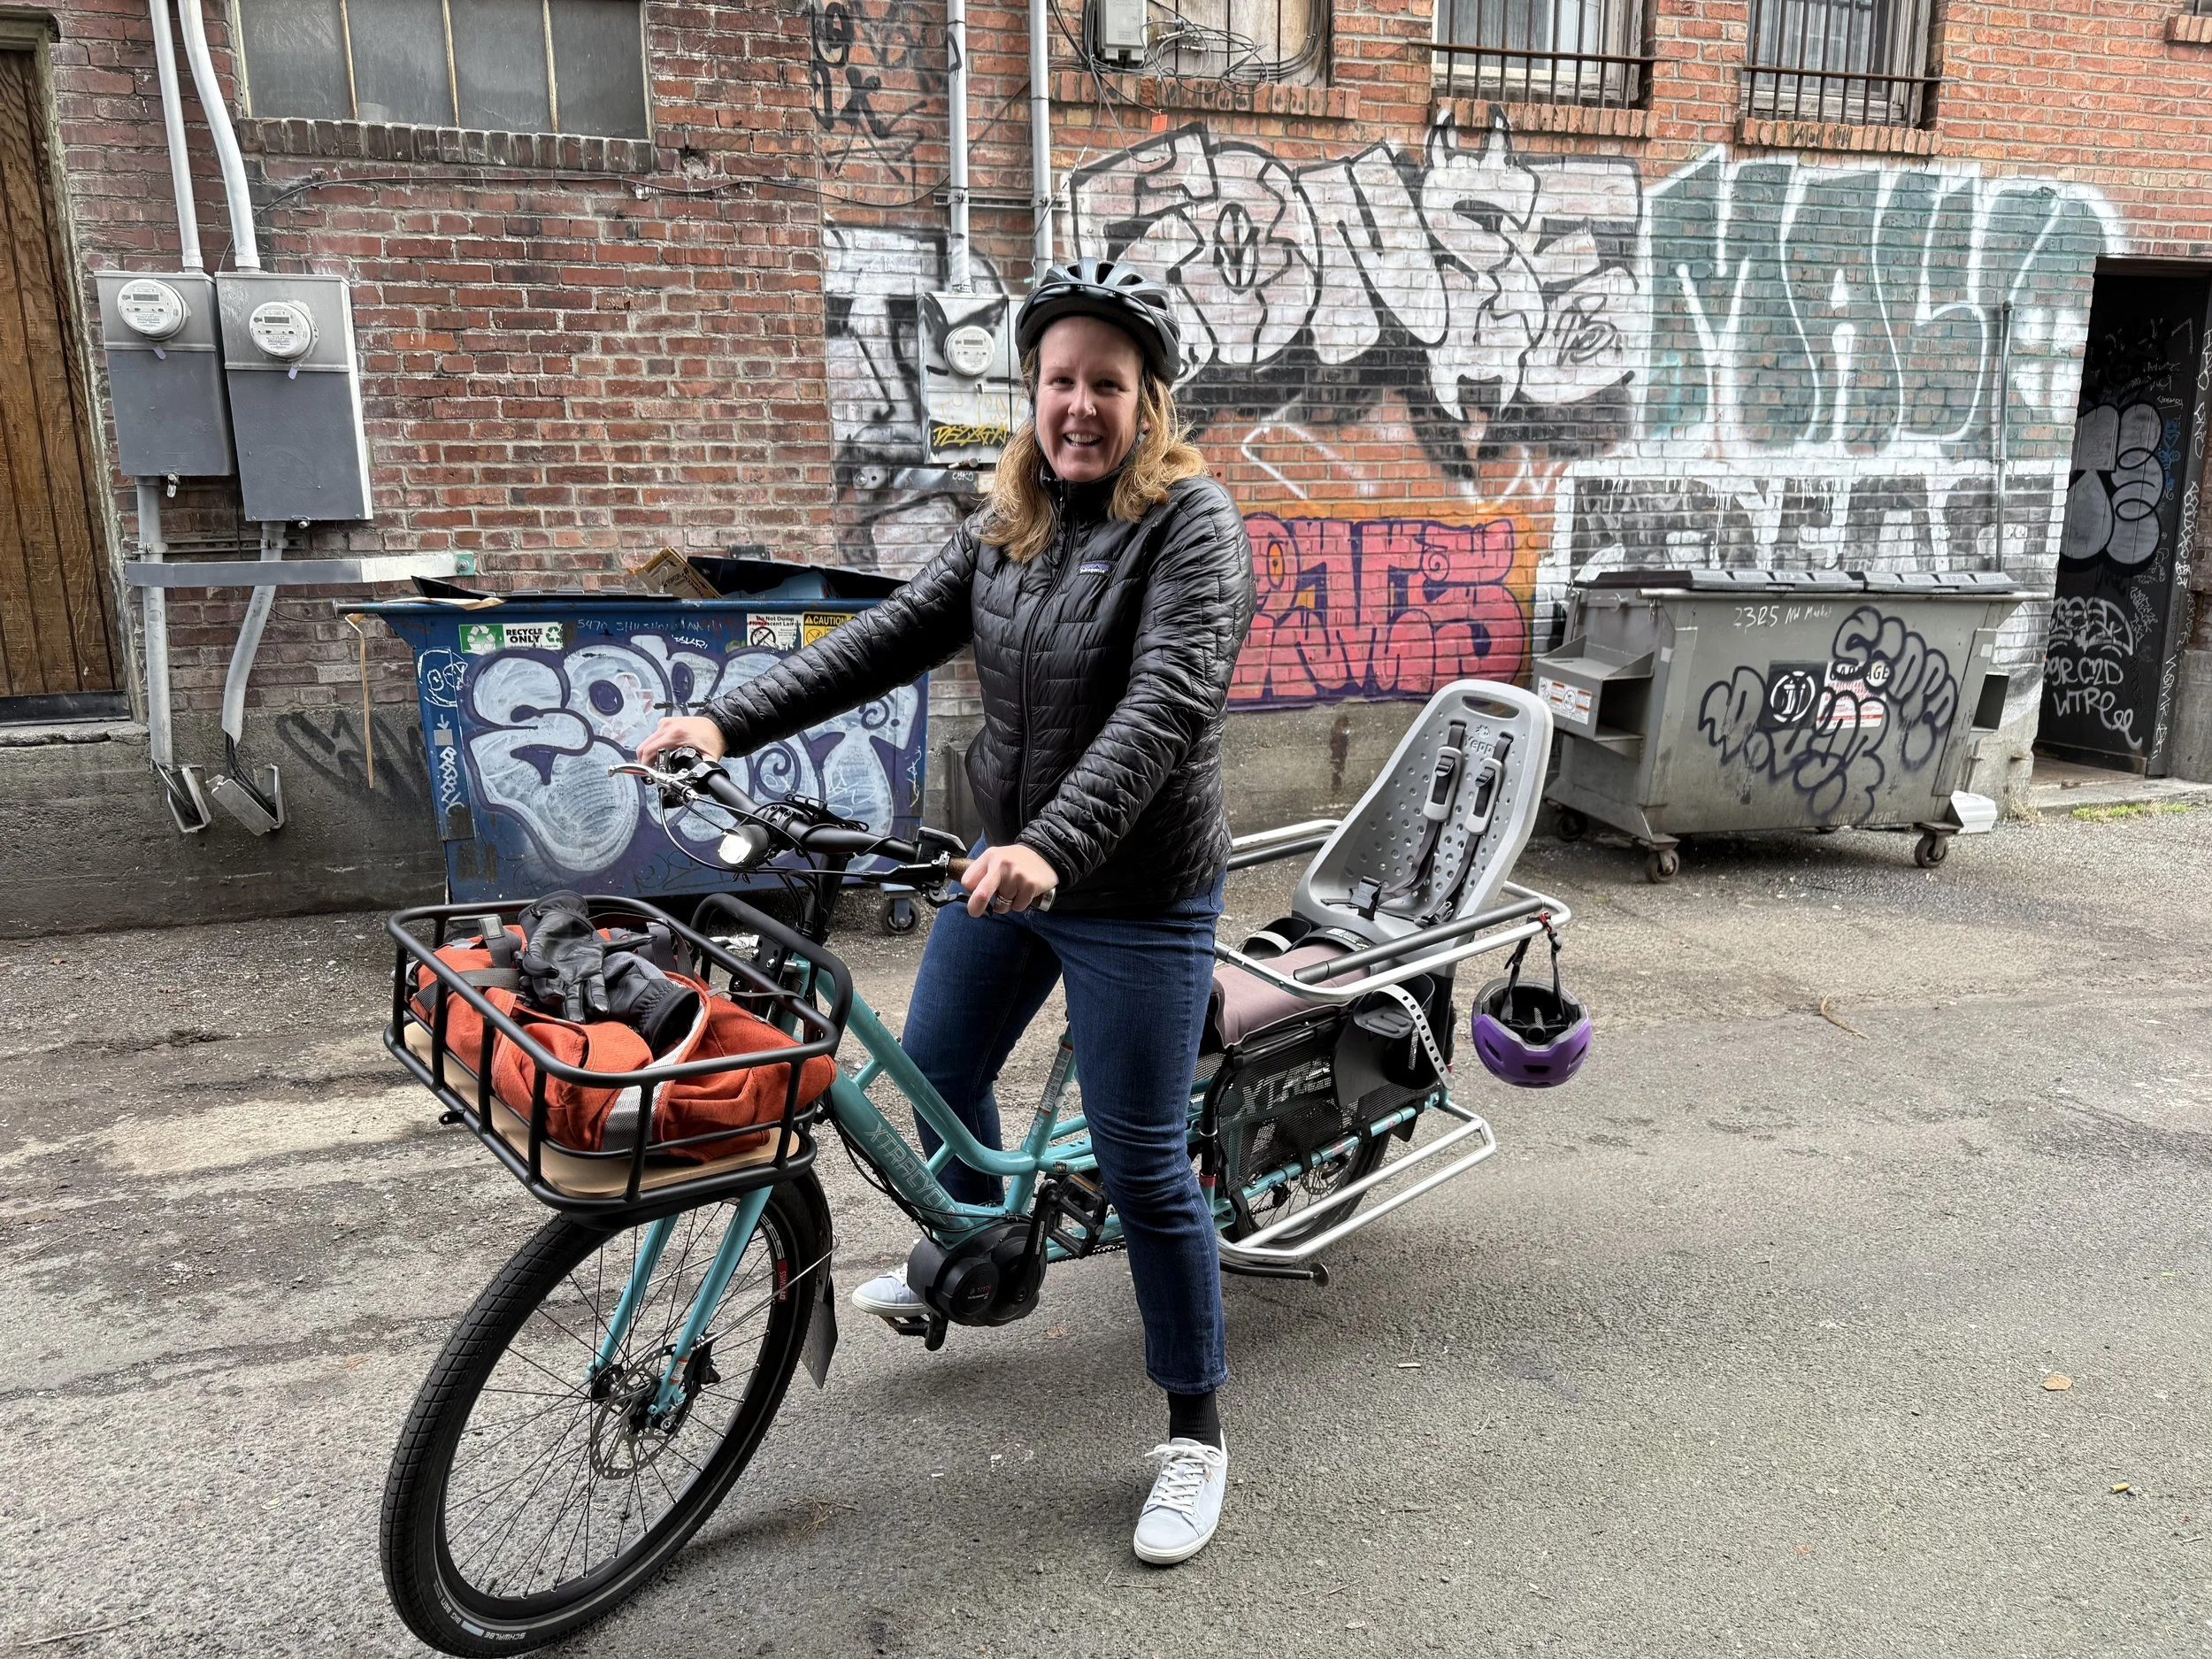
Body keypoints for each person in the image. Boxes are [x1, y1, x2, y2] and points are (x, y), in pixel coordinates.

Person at [638, 258, 1256, 1566]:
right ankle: (989, 1253)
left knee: (1146, 1163)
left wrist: (1050, 845)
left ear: (1149, 404)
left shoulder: (1193, 525)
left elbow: (1166, 705)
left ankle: (1195, 1429)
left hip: (1133, 890)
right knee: (940, 1078)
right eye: (1058, 381)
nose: (1078, 405)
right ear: (1032, 394)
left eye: (1107, 383)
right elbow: (884, 637)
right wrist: (723, 717)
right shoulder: (1008, 526)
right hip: (1008, 866)